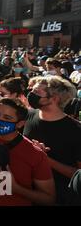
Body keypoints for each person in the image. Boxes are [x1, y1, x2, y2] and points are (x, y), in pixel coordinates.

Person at [24, 76, 81, 204]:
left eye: (37, 92)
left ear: (54, 99)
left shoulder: (76, 131)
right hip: (28, 190)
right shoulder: (30, 114)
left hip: (60, 197)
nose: (31, 95)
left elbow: (78, 174)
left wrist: (45, 159)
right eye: (32, 90)